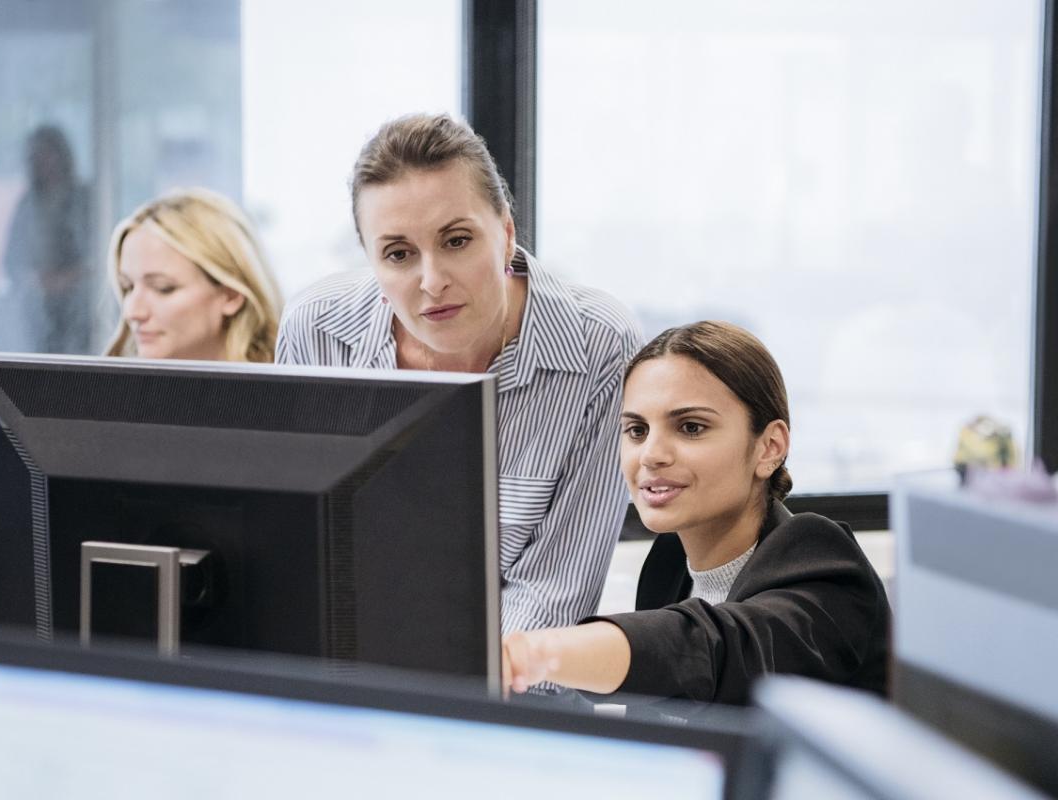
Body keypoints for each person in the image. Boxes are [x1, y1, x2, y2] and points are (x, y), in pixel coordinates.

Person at [277, 113, 643, 635]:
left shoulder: (599, 345)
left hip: (515, 688)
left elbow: (553, 594)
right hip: (351, 673)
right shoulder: (316, 333)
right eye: (398, 254)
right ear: (373, 264)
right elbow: (305, 553)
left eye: (456, 241)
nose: (432, 282)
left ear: (507, 234)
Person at [501, 321, 891, 703]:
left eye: (690, 427)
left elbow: (709, 649)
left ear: (769, 447)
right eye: (636, 430)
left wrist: (534, 653)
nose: (652, 454)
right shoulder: (668, 566)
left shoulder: (820, 561)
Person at [106, 188, 283, 362]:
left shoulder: (288, 388)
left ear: (231, 295)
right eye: (127, 287)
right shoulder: (114, 388)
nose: (132, 312)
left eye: (163, 288)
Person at [2, 124, 93, 354]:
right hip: (37, 312)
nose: (41, 162)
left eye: (47, 154)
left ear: (62, 155)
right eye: (35, 156)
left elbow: (101, 256)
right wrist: (33, 280)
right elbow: (11, 260)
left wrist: (65, 279)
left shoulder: (85, 199)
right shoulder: (28, 204)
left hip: (81, 309)